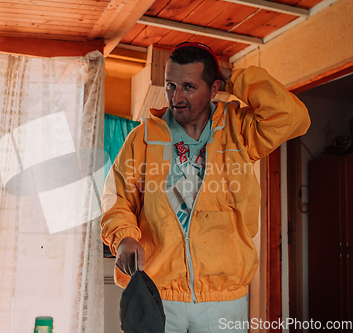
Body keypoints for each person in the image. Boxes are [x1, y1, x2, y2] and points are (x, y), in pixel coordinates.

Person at [100, 42, 310, 332]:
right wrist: (122, 238)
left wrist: (232, 74)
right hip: (158, 291)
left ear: (213, 89)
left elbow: (293, 117)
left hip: (223, 298)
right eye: (170, 85)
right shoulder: (142, 138)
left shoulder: (238, 129)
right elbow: (116, 198)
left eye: (189, 86)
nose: (176, 97)